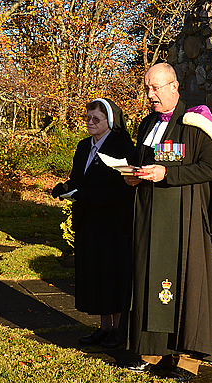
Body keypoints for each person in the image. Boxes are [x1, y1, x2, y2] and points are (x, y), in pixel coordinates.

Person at [123, 63, 212, 382]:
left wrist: (168, 174)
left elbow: (211, 167)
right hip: (152, 218)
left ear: (174, 87)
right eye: (146, 88)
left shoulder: (196, 123)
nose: (150, 95)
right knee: (149, 279)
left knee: (188, 285)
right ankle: (153, 350)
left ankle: (188, 359)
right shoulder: (148, 125)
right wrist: (134, 177)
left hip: (186, 220)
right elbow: (145, 163)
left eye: (156, 88)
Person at [52, 98, 134, 349]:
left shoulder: (121, 146)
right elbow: (79, 178)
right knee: (95, 274)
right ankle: (104, 327)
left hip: (113, 222)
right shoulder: (82, 146)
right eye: (88, 118)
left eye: (96, 119)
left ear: (110, 121)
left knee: (112, 274)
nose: (90, 123)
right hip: (89, 220)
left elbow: (122, 189)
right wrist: (65, 188)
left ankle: (119, 331)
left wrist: (85, 196)